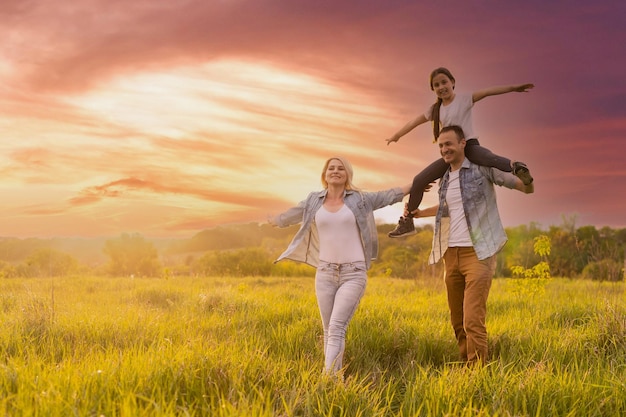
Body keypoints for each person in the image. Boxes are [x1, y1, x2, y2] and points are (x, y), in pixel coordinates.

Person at [268, 156, 412, 376]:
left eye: (340, 168)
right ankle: (332, 378)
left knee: (336, 329)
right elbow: (291, 215)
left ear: (347, 174)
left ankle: (329, 382)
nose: (335, 171)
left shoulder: (361, 200)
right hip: (324, 273)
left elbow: (389, 195)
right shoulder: (313, 201)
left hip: (353, 274)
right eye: (331, 168)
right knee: (328, 331)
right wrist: (274, 220)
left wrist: (418, 183)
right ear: (325, 174)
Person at [411, 125, 534, 365]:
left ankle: (476, 375)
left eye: (449, 144)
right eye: (441, 146)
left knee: (472, 320)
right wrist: (419, 213)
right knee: (457, 321)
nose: (445, 149)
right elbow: (450, 207)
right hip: (450, 254)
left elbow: (522, 187)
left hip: (478, 254)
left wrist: (527, 181)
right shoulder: (445, 178)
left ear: (463, 143)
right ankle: (465, 365)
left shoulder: (482, 169)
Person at [386, 67, 535, 238]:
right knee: (419, 180)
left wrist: (513, 88)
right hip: (450, 152)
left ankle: (516, 167)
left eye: (444, 82)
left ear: (453, 82)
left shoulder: (464, 99)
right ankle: (408, 221)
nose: (441, 87)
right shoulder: (436, 109)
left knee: (489, 158)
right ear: (433, 89)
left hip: (470, 146)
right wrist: (396, 135)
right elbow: (414, 121)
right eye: (436, 85)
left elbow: (487, 92)